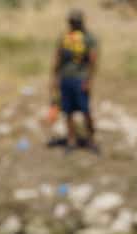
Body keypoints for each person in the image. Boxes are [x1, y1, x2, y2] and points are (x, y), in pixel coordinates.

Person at [51, 9, 100, 152]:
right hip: (65, 78)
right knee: (67, 112)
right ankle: (71, 141)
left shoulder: (89, 38)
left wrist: (89, 80)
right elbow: (57, 58)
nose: (74, 24)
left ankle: (91, 140)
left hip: (80, 79)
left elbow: (92, 61)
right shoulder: (64, 37)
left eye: (76, 21)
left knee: (85, 111)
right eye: (72, 21)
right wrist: (54, 78)